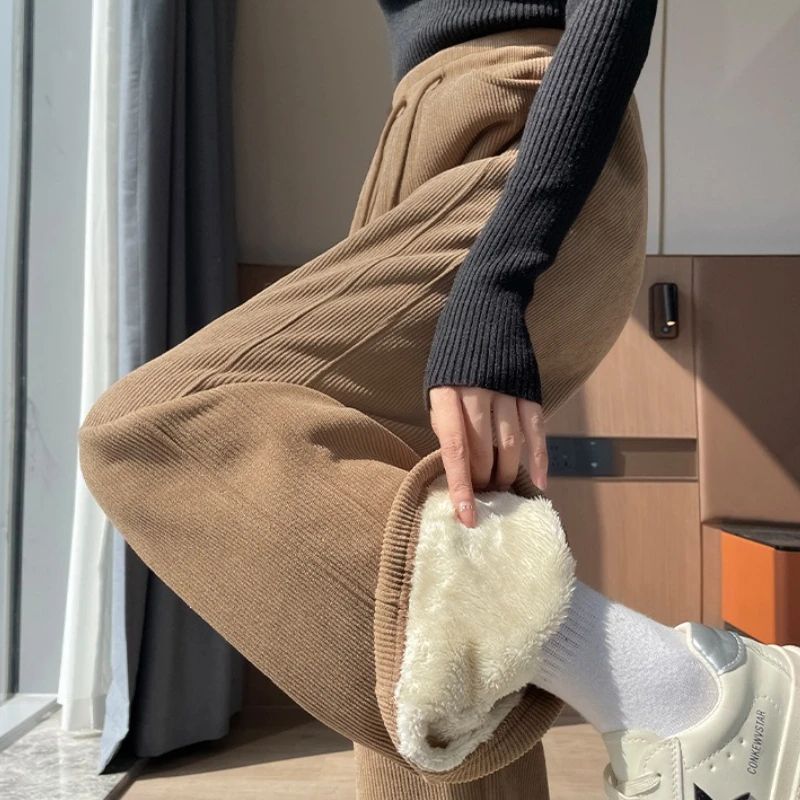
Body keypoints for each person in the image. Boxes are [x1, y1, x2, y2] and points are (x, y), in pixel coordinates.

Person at [77, 1, 800, 798]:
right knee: (426, 692)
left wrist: (495, 279)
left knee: (153, 425)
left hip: (523, 129)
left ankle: (688, 694)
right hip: (421, 142)